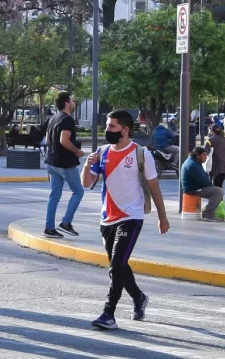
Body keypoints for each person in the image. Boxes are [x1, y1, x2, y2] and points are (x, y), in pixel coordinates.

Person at [83, 110, 170, 330]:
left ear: (125, 129)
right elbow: (86, 183)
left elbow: (154, 187)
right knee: (118, 265)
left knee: (118, 263)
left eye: (112, 126)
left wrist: (162, 217)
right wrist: (86, 164)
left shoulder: (141, 154)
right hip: (107, 218)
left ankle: (108, 313)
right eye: (107, 125)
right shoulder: (102, 152)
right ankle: (139, 297)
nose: (107, 130)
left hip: (131, 216)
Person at [44, 91, 86, 238]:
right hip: (65, 163)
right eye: (73, 101)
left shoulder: (53, 119)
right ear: (67, 103)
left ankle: (49, 228)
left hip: (51, 162)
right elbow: (64, 140)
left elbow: (48, 141)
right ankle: (66, 222)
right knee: (78, 191)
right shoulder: (67, 120)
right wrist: (77, 151)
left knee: (54, 196)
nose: (74, 103)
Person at [180, 146, 223, 220]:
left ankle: (210, 211)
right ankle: (208, 214)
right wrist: (211, 186)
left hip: (195, 187)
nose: (206, 157)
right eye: (204, 155)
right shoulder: (192, 165)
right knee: (218, 192)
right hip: (192, 189)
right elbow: (204, 181)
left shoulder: (194, 161)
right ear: (197, 155)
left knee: (216, 190)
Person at [209, 124, 225, 189]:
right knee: (220, 185)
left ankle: (219, 199)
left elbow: (205, 152)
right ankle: (220, 199)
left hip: (216, 168)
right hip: (224, 167)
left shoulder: (210, 140)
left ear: (212, 131)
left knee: (217, 187)